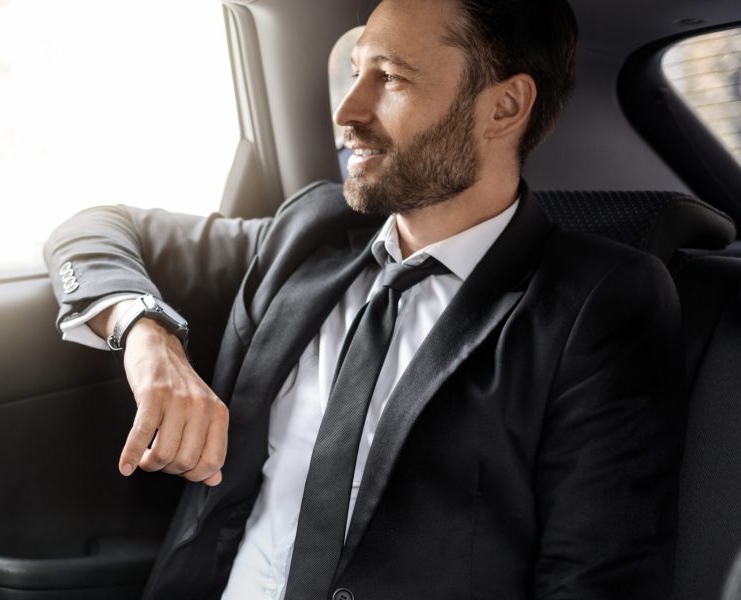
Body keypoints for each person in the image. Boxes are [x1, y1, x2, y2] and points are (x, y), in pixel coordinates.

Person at [43, 0, 682, 598]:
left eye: (391, 78)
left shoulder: (597, 303)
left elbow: (596, 581)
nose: (347, 111)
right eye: (355, 71)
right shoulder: (308, 231)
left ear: (504, 108)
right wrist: (149, 337)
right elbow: (94, 229)